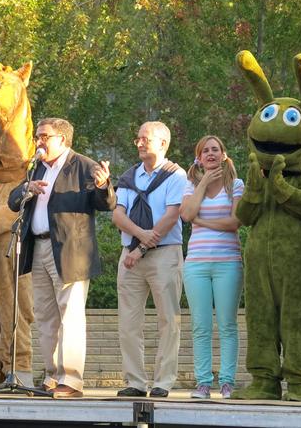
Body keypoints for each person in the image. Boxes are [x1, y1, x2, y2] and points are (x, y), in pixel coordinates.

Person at [7, 117, 116, 398]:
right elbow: (12, 202)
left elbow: (105, 204)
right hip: (39, 247)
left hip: (70, 251)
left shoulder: (84, 165)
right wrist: (26, 189)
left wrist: (104, 185)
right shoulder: (37, 167)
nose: (38, 142)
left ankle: (71, 380)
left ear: (62, 139)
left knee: (71, 316)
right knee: (45, 317)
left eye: (44, 136)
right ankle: (52, 377)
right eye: (38, 136)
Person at [112, 121, 187, 398]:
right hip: (129, 256)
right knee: (128, 322)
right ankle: (134, 381)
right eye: (138, 139)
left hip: (163, 254)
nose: (140, 143)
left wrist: (141, 247)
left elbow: (171, 216)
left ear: (163, 144)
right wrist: (140, 236)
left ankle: (163, 382)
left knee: (168, 320)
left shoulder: (176, 175)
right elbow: (118, 214)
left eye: (146, 138)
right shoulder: (129, 176)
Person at [179, 135, 243, 399]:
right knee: (200, 326)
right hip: (196, 264)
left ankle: (227, 382)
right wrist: (204, 182)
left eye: (215, 149)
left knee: (227, 324)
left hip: (228, 263)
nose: (210, 153)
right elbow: (186, 215)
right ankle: (203, 383)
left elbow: (234, 222)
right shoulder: (191, 184)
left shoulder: (236, 184)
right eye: (205, 151)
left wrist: (202, 222)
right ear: (199, 158)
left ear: (223, 155)